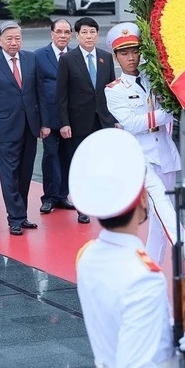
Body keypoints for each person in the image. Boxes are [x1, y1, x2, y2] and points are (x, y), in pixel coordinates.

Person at [72, 128, 185, 368]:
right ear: (143, 200)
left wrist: (172, 333)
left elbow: (120, 323)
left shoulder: (87, 256)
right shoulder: (144, 277)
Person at [103, 22, 185, 262]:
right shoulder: (114, 90)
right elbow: (132, 124)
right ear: (116, 57)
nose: (131, 57)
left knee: (161, 219)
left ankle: (150, 271)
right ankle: (183, 242)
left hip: (165, 153)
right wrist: (167, 112)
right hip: (140, 155)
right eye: (124, 53)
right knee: (159, 197)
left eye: (135, 51)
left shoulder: (154, 78)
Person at [0, 21, 48, 236]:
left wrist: (45, 123)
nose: (13, 42)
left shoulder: (31, 59)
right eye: (9, 39)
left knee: (25, 172)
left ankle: (23, 214)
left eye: (17, 38)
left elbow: (40, 93)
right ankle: (15, 218)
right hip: (5, 128)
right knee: (9, 174)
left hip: (30, 126)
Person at [56, 17, 117, 224]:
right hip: (77, 121)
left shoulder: (106, 58)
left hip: (102, 120)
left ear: (97, 35)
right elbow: (61, 95)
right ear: (77, 35)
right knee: (80, 164)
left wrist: (114, 118)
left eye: (92, 32)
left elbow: (111, 91)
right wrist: (64, 122)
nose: (88, 36)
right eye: (84, 32)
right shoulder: (67, 59)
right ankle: (82, 206)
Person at [34, 19, 75, 214]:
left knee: (67, 156)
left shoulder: (75, 55)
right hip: (48, 118)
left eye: (66, 32)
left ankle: (62, 195)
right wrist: (41, 122)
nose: (62, 36)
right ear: (51, 34)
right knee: (50, 156)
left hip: (70, 118)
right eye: (59, 32)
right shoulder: (39, 56)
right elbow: (36, 90)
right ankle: (49, 197)